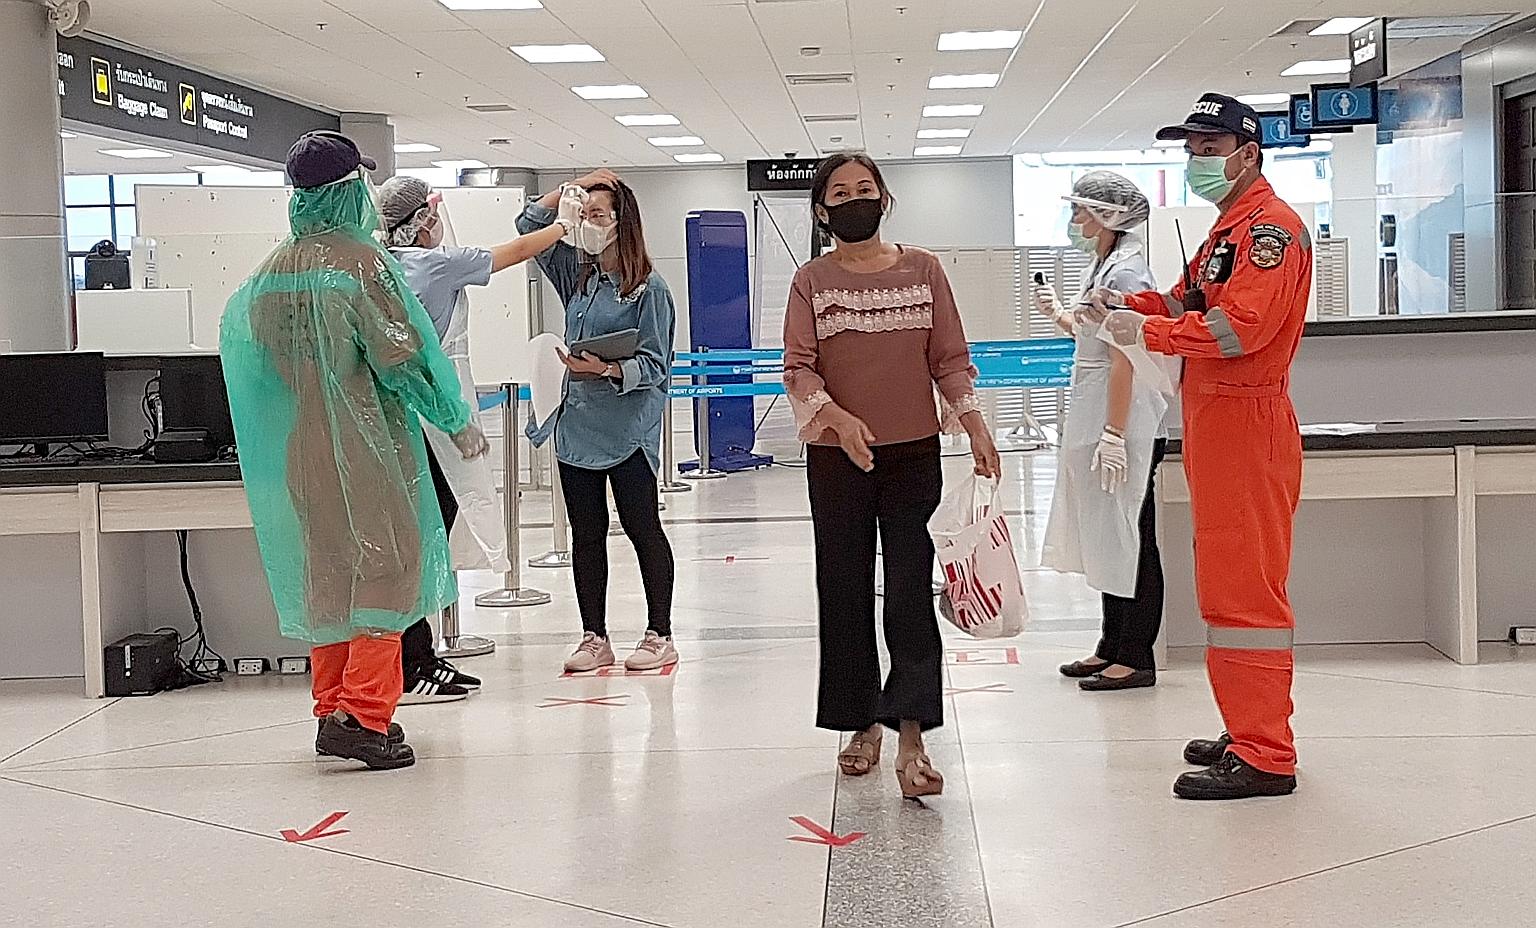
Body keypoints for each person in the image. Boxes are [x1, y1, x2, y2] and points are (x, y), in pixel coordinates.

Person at [220, 131, 488, 770]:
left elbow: (262, 366)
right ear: (348, 192)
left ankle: (331, 707)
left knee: (330, 578)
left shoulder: (269, 276)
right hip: (367, 451)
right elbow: (406, 359)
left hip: (300, 453)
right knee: (387, 572)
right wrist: (454, 419)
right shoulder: (364, 266)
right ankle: (365, 717)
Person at [1091, 93, 1311, 800]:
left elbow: (1235, 331)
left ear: (1248, 153)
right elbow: (1190, 304)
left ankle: (1267, 753)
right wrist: (1131, 309)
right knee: (1225, 580)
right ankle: (1247, 727)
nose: (1197, 161)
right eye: (1190, 150)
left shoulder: (1270, 231)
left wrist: (1143, 335)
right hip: (1217, 422)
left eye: (1209, 149)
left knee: (1245, 591)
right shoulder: (1228, 231)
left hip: (1247, 422)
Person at [783, 152, 1001, 800]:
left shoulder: (924, 269)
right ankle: (859, 726)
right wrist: (838, 419)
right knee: (845, 589)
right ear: (822, 210)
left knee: (909, 593)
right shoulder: (811, 281)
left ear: (885, 198)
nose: (855, 200)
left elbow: (949, 358)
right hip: (837, 458)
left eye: (865, 189)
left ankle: (911, 736)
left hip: (913, 456)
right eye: (841, 193)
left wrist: (976, 426)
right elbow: (798, 366)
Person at [377, 176, 580, 703]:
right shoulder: (437, 263)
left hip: (391, 422)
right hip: (435, 421)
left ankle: (411, 654)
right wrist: (565, 224)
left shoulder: (379, 267)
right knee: (428, 539)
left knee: (413, 540)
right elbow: (515, 250)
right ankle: (412, 658)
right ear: (422, 220)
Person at [516, 170, 680, 674]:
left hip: (628, 431)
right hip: (577, 430)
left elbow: (656, 366)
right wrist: (578, 185)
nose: (587, 223)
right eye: (583, 214)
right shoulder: (576, 275)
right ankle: (594, 636)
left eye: (597, 215)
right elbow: (528, 222)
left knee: (641, 527)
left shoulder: (649, 289)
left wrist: (607, 368)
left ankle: (659, 633)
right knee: (586, 535)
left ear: (621, 223)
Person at [1037, 171, 1172, 692]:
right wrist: (1060, 316)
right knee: (1106, 534)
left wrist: (1116, 433)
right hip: (1100, 414)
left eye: (1081, 211)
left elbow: (1124, 358)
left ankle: (1135, 655)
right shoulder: (1107, 266)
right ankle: (1110, 644)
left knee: (1130, 534)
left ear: (1110, 215)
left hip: (1124, 420)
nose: (1074, 221)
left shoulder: (1129, 274)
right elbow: (1095, 337)